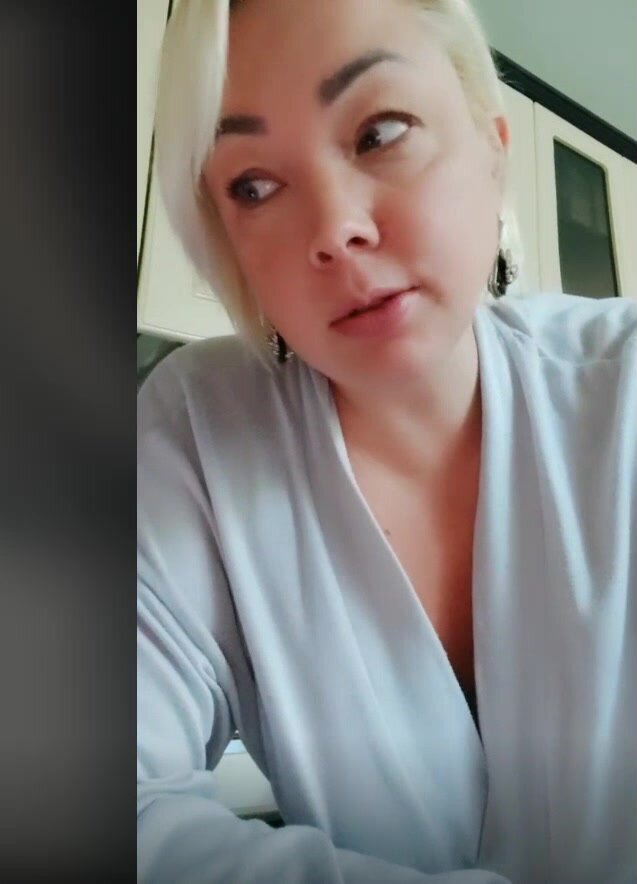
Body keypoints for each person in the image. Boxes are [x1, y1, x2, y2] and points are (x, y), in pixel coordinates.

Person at [137, 0, 637, 881]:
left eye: (380, 133)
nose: (335, 230)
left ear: (491, 143)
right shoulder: (194, 437)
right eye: (253, 186)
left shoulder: (621, 383)